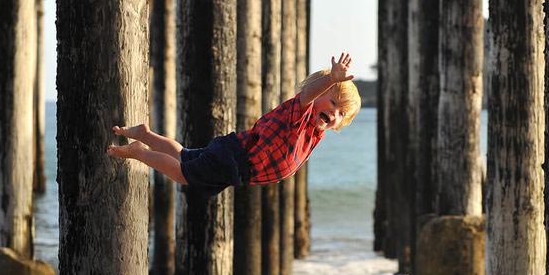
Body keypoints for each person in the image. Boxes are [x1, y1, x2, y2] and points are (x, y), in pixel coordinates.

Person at [107, 52, 361, 197]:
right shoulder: (300, 117)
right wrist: (331, 80)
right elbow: (308, 95)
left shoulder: (314, 134)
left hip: (236, 160)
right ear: (319, 96)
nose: (334, 113)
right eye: (332, 102)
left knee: (183, 155)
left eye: (341, 114)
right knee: (182, 174)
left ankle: (146, 135)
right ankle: (139, 151)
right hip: (236, 160)